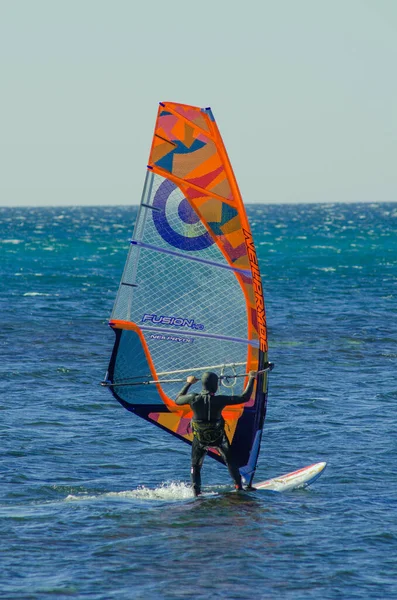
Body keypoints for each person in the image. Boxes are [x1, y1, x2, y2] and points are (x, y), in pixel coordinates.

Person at [175, 370, 257, 496]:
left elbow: (178, 399)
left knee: (195, 466)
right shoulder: (220, 400)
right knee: (230, 461)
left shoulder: (193, 398)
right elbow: (244, 397)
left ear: (202, 385)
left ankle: (196, 493)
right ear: (215, 386)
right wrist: (251, 378)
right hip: (218, 438)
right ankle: (239, 487)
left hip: (200, 439)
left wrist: (189, 383)